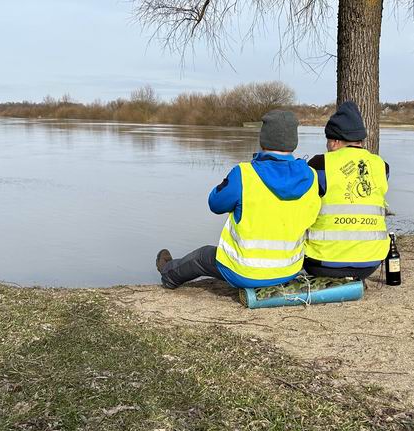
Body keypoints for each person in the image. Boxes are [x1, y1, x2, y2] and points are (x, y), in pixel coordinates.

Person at [156, 110, 321, 290]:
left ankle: (168, 273)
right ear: (293, 142)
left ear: (263, 139)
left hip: (245, 272)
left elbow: (215, 204)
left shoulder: (245, 174)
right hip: (289, 270)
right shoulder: (311, 176)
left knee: (202, 256)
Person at [304, 101, 390, 280]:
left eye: (328, 141)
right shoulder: (381, 166)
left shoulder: (319, 164)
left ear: (335, 141)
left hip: (322, 262)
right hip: (370, 262)